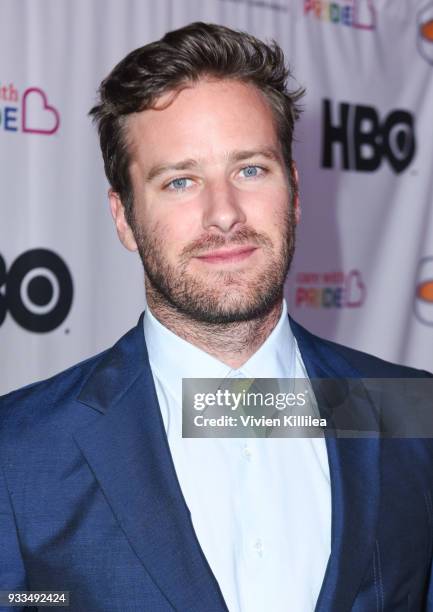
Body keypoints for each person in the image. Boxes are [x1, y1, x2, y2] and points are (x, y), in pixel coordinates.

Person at [1, 22, 432, 612]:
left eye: (250, 169)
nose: (224, 213)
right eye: (181, 181)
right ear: (124, 218)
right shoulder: (18, 451)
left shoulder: (409, 413)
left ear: (296, 192)